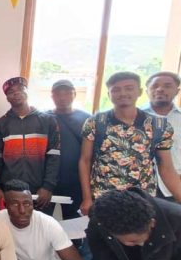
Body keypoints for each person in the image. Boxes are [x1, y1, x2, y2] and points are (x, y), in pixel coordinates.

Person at [79, 72, 181, 215]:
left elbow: (167, 169)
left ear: (139, 92)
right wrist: (87, 198)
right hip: (104, 198)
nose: (123, 93)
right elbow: (85, 161)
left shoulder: (159, 125)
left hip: (143, 200)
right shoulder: (96, 122)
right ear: (109, 94)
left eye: (129, 88)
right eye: (116, 89)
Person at [0, 77, 60, 212]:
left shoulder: (48, 121)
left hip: (40, 192)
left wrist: (48, 186)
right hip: (11, 190)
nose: (16, 93)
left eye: (20, 89)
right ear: (7, 98)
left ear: (27, 91)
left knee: (41, 225)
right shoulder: (1, 124)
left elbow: (54, 157)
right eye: (11, 92)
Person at [47, 80, 90, 220]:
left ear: (74, 94)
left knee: (75, 220)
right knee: (43, 219)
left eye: (67, 93)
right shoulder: (44, 118)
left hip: (76, 180)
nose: (62, 97)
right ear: (52, 96)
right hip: (49, 180)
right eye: (58, 93)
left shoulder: (87, 119)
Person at [143, 72, 181, 202]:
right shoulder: (133, 117)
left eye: (167, 86)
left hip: (176, 186)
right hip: (140, 188)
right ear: (147, 91)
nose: (160, 89)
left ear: (177, 91)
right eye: (155, 86)